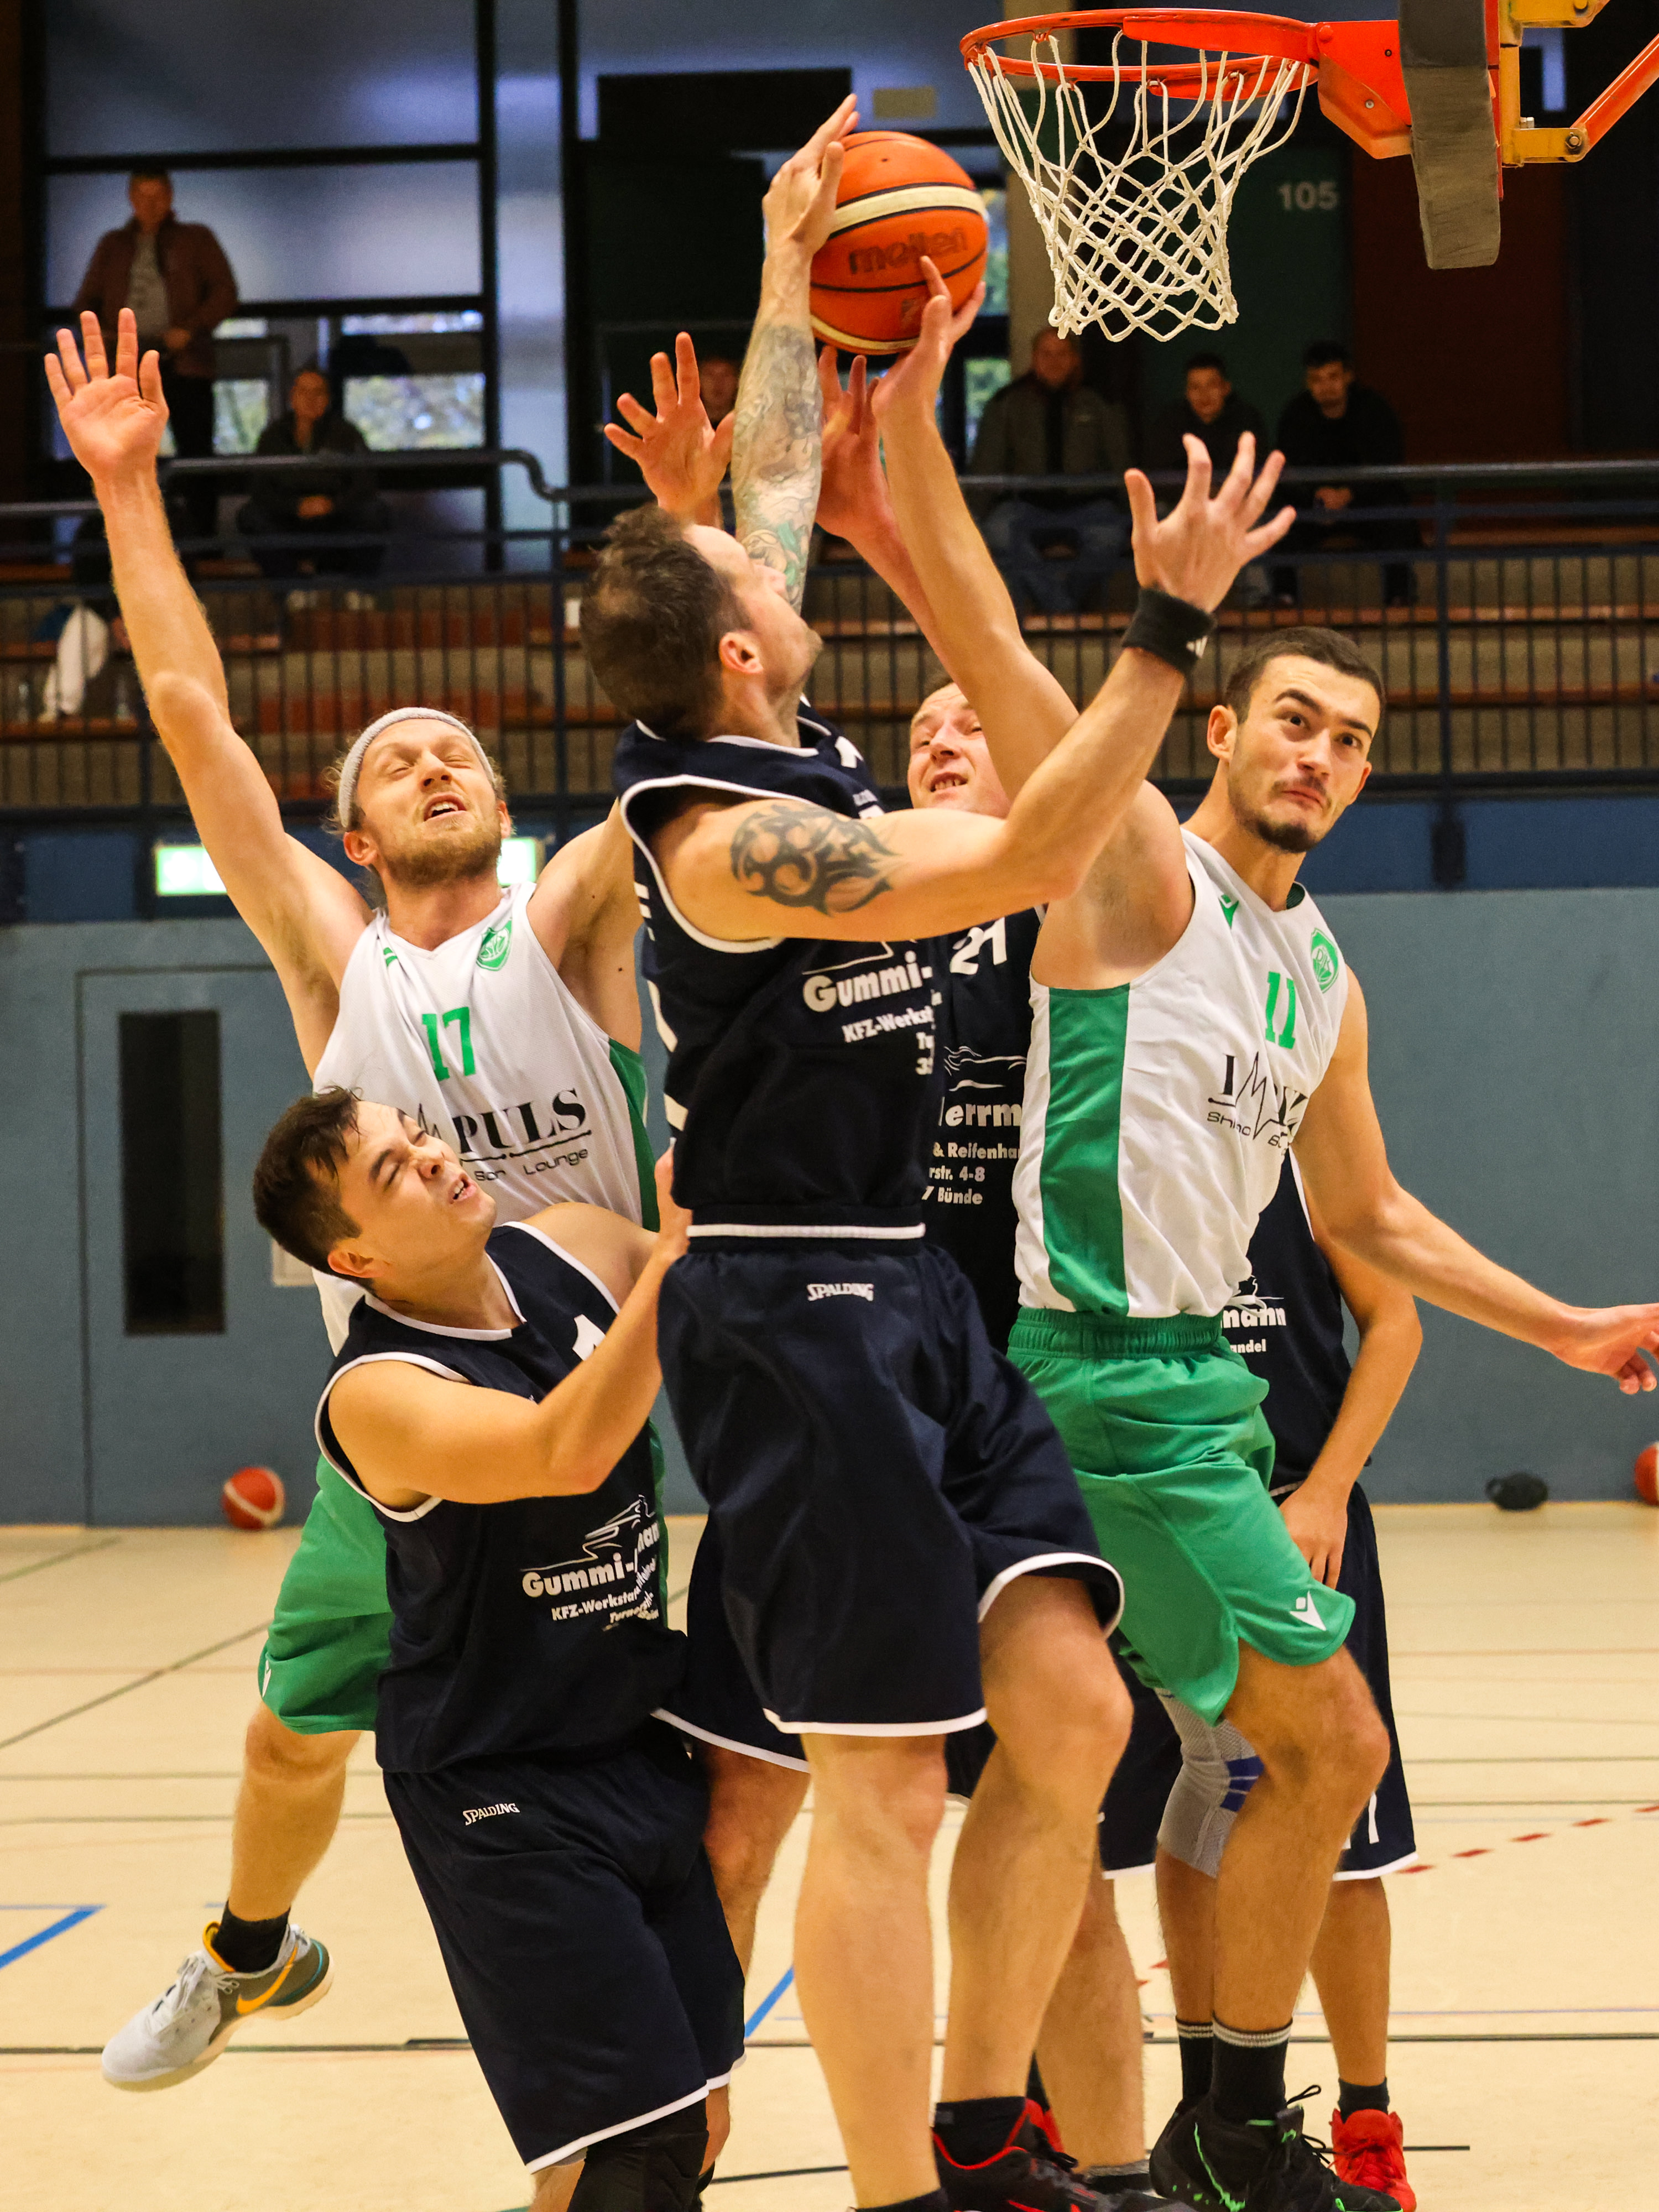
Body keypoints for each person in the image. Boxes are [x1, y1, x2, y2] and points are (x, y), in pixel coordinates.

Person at [872, 254, 1659, 2212]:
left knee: (1163, 1771)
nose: (1319, 755)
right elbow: (988, 644)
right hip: (1091, 1380)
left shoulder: (1323, 975)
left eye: (1352, 739)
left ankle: (1108, 2128)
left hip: (1201, 1399)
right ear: (1222, 729)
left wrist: (1566, 1326)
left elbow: (1367, 1213)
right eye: (1292, 720)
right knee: (1327, 1740)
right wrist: (913, 435)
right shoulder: (1131, 865)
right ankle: (1218, 2117)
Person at [45, 309, 654, 2095]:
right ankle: (250, 1951)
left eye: (461, 749)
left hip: (596, 1401)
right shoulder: (339, 959)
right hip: (412, 1425)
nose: (440, 762)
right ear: (359, 840)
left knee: (653, 1761)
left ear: (505, 803)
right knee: (288, 1737)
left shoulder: (575, 920)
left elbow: (700, 742)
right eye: (400, 761)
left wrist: (694, 517)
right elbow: (191, 721)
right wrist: (130, 487)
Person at [253, 1092, 740, 2210]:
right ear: (356, 1257)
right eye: (393, 1170)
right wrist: (676, 1251)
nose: (433, 1157)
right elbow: (564, 1450)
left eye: (419, 1135)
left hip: (633, 1744)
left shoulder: (566, 1247)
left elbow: (727, 1273)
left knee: (693, 2124)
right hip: (499, 1789)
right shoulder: (378, 1392)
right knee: (636, 2150)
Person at [1155, 1163, 1423, 2212]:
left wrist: (1329, 1489)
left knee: (1345, 1830)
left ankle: (1367, 2120)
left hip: (1301, 1514)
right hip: (1166, 1510)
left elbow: (1396, 1322)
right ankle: (1212, 2111)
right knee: (1205, 1787)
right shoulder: (1131, 1137)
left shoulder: (1310, 1156)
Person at [71, 165, 237, 542]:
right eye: (143, 197)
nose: (150, 205)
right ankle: (123, 539)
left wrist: (190, 329)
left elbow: (224, 291)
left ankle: (202, 543)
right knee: (120, 451)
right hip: (125, 362)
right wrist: (106, 335)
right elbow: (86, 301)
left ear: (170, 197)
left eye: (157, 196)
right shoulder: (114, 245)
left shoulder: (195, 239)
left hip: (184, 359)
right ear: (131, 199)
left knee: (195, 452)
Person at [969, 328, 1131, 615]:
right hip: (1025, 507)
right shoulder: (1007, 403)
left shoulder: (1100, 402)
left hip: (1089, 505)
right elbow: (987, 463)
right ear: (1034, 358)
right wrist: (973, 519)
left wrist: (1132, 514)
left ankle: (1058, 608)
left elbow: (1121, 463)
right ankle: (1063, 610)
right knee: (998, 530)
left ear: (1075, 359)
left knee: (1109, 534)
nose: (1053, 361)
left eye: (1061, 354)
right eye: (1046, 354)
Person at [1271, 343, 1415, 610]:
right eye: (1317, 379)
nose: (1326, 386)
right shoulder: (1296, 414)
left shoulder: (1373, 409)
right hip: (1315, 507)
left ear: (1348, 377)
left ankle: (1400, 597)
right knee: (1280, 512)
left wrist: (1348, 494)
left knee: (1395, 509)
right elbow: (1289, 466)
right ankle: (1284, 597)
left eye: (1333, 377)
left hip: (1365, 503)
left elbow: (1387, 462)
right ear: (1308, 383)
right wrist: (1317, 494)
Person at [237, 362, 392, 602]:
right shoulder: (273, 436)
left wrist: (332, 505)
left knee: (376, 512)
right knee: (250, 516)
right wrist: (296, 506)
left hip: (337, 520)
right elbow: (260, 489)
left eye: (318, 393)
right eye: (303, 392)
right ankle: (293, 590)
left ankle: (361, 589)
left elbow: (366, 483)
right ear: (292, 396)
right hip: (290, 521)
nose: (310, 400)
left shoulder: (346, 434)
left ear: (328, 399)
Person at [1144, 356, 1266, 481]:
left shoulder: (1246, 420)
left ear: (1226, 388)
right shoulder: (1170, 423)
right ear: (1186, 392)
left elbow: (1258, 469)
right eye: (1195, 387)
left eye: (1212, 385)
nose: (1204, 395)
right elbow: (1161, 474)